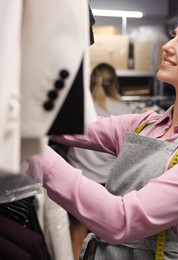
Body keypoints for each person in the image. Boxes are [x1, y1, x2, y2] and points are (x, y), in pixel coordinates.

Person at [27, 13, 178, 260]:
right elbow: (70, 126)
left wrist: (31, 150)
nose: (167, 46)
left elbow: (121, 220)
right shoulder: (146, 125)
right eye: (174, 37)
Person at [66, 63, 131, 260]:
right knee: (107, 240)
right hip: (110, 184)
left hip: (80, 180)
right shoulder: (124, 109)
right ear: (115, 83)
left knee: (77, 235)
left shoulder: (78, 106)